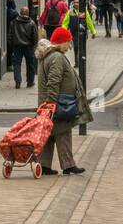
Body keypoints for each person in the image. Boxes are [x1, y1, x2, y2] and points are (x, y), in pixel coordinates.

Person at [35, 26, 93, 175]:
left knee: (49, 134)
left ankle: (44, 165)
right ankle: (68, 165)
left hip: (49, 103)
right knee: (63, 133)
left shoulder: (49, 56)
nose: (69, 46)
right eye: (68, 42)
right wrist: (52, 104)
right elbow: (54, 82)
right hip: (58, 103)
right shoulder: (56, 57)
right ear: (61, 42)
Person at [8, 7, 38, 89]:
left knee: (17, 64)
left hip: (17, 46)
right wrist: (34, 46)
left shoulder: (13, 22)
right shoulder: (32, 23)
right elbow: (35, 36)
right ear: (28, 13)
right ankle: (30, 82)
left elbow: (10, 35)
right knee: (30, 64)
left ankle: (18, 82)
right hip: (28, 47)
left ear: (20, 13)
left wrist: (12, 45)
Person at [4, 0, 18, 72]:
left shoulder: (5, 12)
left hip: (5, 32)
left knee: (8, 49)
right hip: (12, 33)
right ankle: (10, 64)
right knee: (12, 50)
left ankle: (8, 64)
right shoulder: (15, 13)